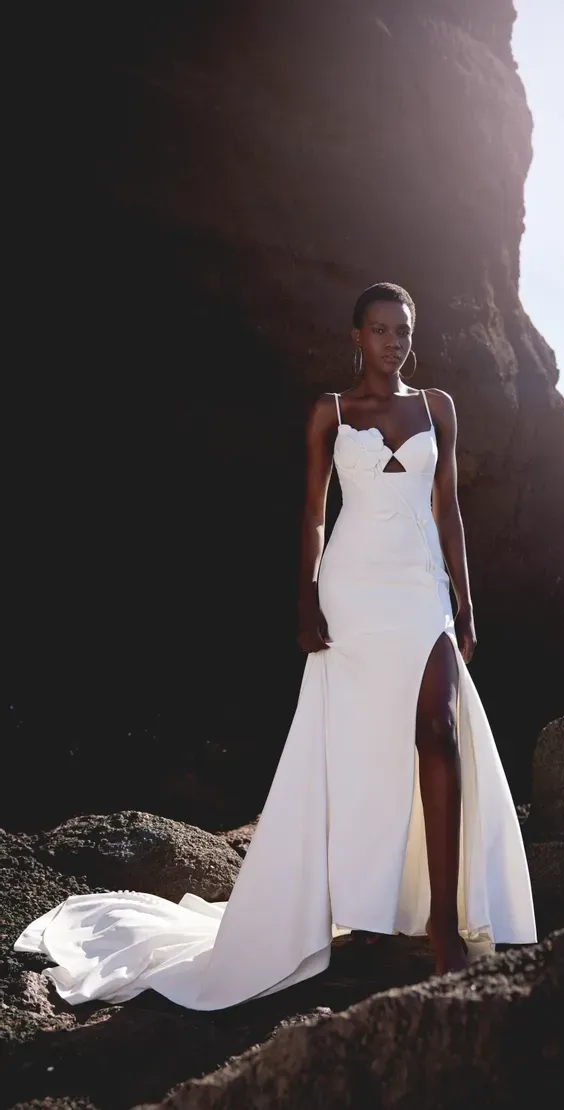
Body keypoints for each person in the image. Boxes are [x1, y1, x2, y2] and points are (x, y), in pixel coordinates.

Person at [14, 283, 536, 1010]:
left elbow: (448, 508)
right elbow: (314, 514)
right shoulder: (330, 410)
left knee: (439, 734)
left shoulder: (437, 407)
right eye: (380, 329)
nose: (394, 341)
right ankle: (371, 914)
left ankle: (445, 925)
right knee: (360, 754)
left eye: (404, 330)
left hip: (422, 592)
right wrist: (306, 595)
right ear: (357, 335)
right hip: (353, 591)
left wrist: (466, 605)